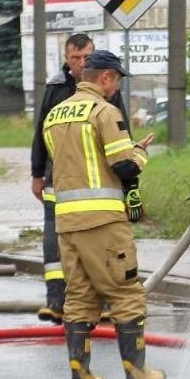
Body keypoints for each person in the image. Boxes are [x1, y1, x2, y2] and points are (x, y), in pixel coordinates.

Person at [42, 50, 164, 379]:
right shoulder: (105, 112)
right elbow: (124, 166)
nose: (116, 88)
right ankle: (138, 374)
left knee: (79, 297)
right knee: (126, 294)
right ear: (106, 77)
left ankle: (81, 376)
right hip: (104, 223)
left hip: (67, 223)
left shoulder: (53, 116)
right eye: (117, 80)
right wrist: (140, 153)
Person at [29, 33, 128, 323]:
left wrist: (128, 169)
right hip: (58, 177)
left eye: (87, 57)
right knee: (55, 241)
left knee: (100, 243)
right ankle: (56, 301)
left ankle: (102, 303)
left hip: (97, 181)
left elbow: (120, 129)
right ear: (66, 58)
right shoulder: (56, 88)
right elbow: (40, 133)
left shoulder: (107, 87)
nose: (82, 62)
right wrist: (37, 173)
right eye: (76, 57)